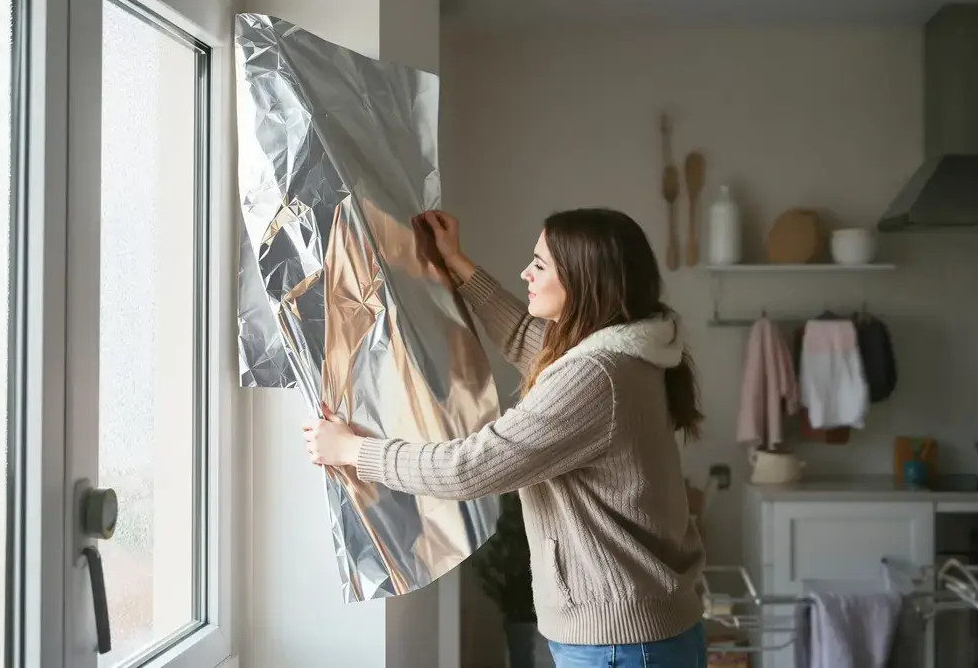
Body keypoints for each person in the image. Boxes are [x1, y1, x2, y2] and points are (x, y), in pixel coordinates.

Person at [303, 208, 707, 667]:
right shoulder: (629, 351)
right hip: (644, 631)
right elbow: (526, 338)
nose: (525, 273)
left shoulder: (596, 376)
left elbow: (470, 468)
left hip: (620, 644)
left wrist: (353, 450)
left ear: (583, 281)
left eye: (539, 264)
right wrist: (458, 264)